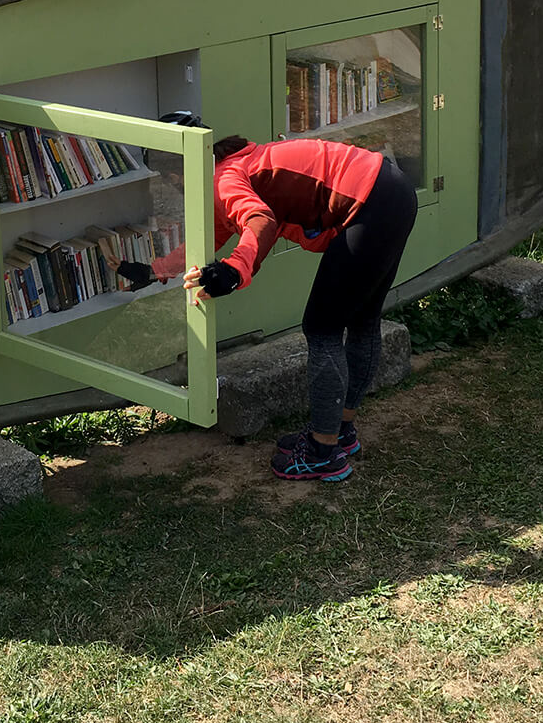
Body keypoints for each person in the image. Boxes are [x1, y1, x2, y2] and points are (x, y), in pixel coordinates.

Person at [120, 131, 417, 482]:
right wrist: (155, 271)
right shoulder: (241, 165)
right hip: (391, 189)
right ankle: (340, 432)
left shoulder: (223, 179)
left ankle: (324, 452)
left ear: (178, 176)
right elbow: (213, 236)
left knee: (323, 328)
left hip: (369, 202)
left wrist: (232, 271)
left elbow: (259, 221)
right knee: (363, 318)